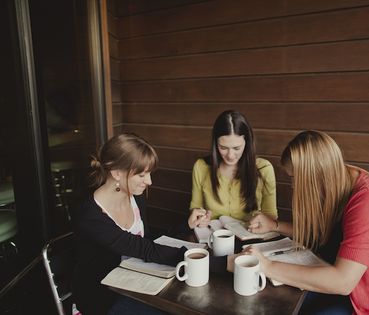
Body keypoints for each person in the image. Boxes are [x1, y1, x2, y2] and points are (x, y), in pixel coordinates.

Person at [246, 131, 369, 315]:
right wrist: (274, 225)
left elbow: (343, 282)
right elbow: (321, 231)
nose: (292, 186)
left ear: (313, 177)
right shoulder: (335, 179)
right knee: (277, 301)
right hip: (349, 281)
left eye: (293, 178)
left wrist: (267, 266)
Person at [72, 133, 184, 315]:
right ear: (117, 173)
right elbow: (145, 248)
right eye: (141, 174)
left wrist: (186, 225)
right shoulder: (90, 216)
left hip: (135, 285)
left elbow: (146, 241)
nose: (149, 181)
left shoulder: (135, 198)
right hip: (103, 299)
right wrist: (209, 261)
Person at [187, 110, 278, 229]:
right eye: (223, 147)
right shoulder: (201, 167)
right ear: (215, 144)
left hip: (251, 238)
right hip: (213, 237)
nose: (230, 155)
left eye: (237, 148)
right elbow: (195, 208)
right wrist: (200, 218)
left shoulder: (264, 168)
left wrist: (261, 222)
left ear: (247, 143)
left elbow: (271, 217)